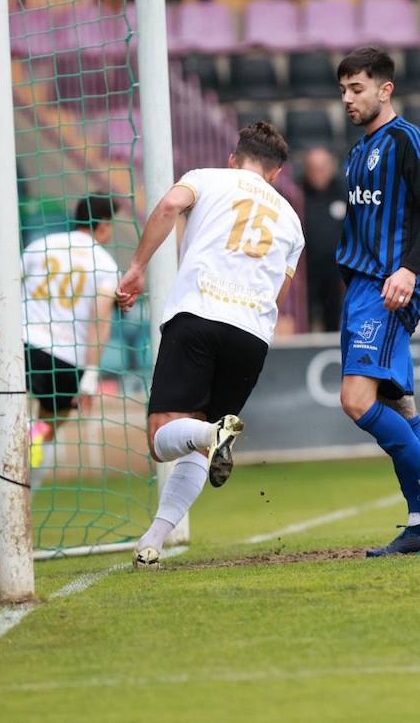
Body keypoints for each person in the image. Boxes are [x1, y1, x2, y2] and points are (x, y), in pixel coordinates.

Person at [116, 123, 304, 570]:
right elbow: (280, 292)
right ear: (275, 174)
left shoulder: (207, 176)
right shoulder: (292, 220)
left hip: (199, 315)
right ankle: (153, 541)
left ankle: (211, 434)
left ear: (234, 158)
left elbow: (169, 204)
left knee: (163, 440)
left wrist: (138, 267)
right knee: (200, 447)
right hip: (252, 335)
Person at [334, 47, 420, 558]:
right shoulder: (356, 153)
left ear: (385, 90)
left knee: (356, 400)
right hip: (360, 289)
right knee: (395, 402)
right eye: (343, 89)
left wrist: (407, 269)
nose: (347, 98)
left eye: (356, 88)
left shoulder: (407, 140)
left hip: (387, 286)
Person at [21, 196, 121, 485]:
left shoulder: (40, 245)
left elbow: (5, 289)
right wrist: (91, 372)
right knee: (50, 424)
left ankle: (22, 441)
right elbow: (101, 320)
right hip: (65, 357)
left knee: (12, 407)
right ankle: (35, 435)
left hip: (22, 344)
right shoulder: (104, 263)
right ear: (102, 226)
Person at [301, 147, 346, 333]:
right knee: (305, 320)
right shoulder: (297, 194)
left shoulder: (344, 191)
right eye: (313, 168)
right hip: (305, 272)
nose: (318, 173)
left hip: (337, 273)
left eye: (322, 168)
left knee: (334, 320)